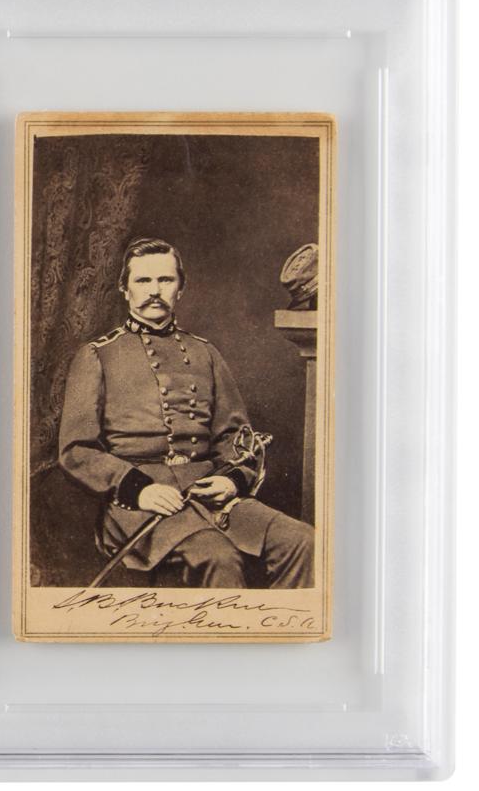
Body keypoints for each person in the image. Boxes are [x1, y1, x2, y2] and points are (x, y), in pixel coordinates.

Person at [59, 237, 314, 588]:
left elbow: (235, 438)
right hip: (141, 506)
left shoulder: (205, 353)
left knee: (303, 542)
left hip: (208, 497)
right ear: (124, 289)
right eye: (143, 280)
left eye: (165, 280)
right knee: (219, 558)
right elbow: (77, 451)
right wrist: (138, 489)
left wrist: (230, 480)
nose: (154, 291)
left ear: (180, 288)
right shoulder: (97, 356)